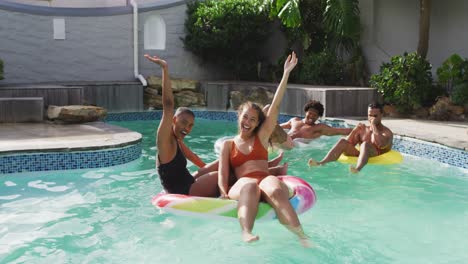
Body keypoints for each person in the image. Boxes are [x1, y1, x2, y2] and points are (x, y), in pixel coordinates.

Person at [145, 54, 288, 197]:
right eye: (183, 123)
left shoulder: (177, 141)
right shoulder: (164, 141)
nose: (187, 128)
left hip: (189, 182)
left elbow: (193, 158)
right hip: (186, 191)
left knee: (222, 163)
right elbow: (168, 106)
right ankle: (270, 170)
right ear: (173, 120)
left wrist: (203, 171)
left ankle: (267, 167)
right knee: (228, 172)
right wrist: (164, 69)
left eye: (190, 125)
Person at [218, 52, 310, 246]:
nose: (248, 122)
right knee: (250, 186)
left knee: (276, 189)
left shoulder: (261, 137)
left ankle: (302, 236)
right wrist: (222, 191)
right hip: (243, 184)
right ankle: (246, 232)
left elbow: (275, 107)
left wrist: (286, 74)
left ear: (257, 123)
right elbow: (222, 174)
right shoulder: (228, 145)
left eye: (253, 119)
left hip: (264, 178)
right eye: (245, 117)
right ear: (239, 116)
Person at [308, 103, 393, 173]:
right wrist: (354, 131)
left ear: (381, 115)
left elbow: (381, 144)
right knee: (342, 141)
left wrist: (373, 125)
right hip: (362, 154)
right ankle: (321, 163)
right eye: (369, 115)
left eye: (375, 116)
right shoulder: (363, 129)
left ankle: (357, 169)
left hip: (377, 154)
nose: (371, 118)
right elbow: (347, 144)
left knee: (365, 144)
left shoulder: (386, 132)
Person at [276, 100, 352, 149]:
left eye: (315, 115)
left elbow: (339, 131)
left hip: (294, 145)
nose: (312, 116)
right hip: (282, 142)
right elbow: (277, 127)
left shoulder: (318, 128)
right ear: (306, 112)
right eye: (310, 113)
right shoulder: (294, 120)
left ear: (318, 117)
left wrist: (358, 130)